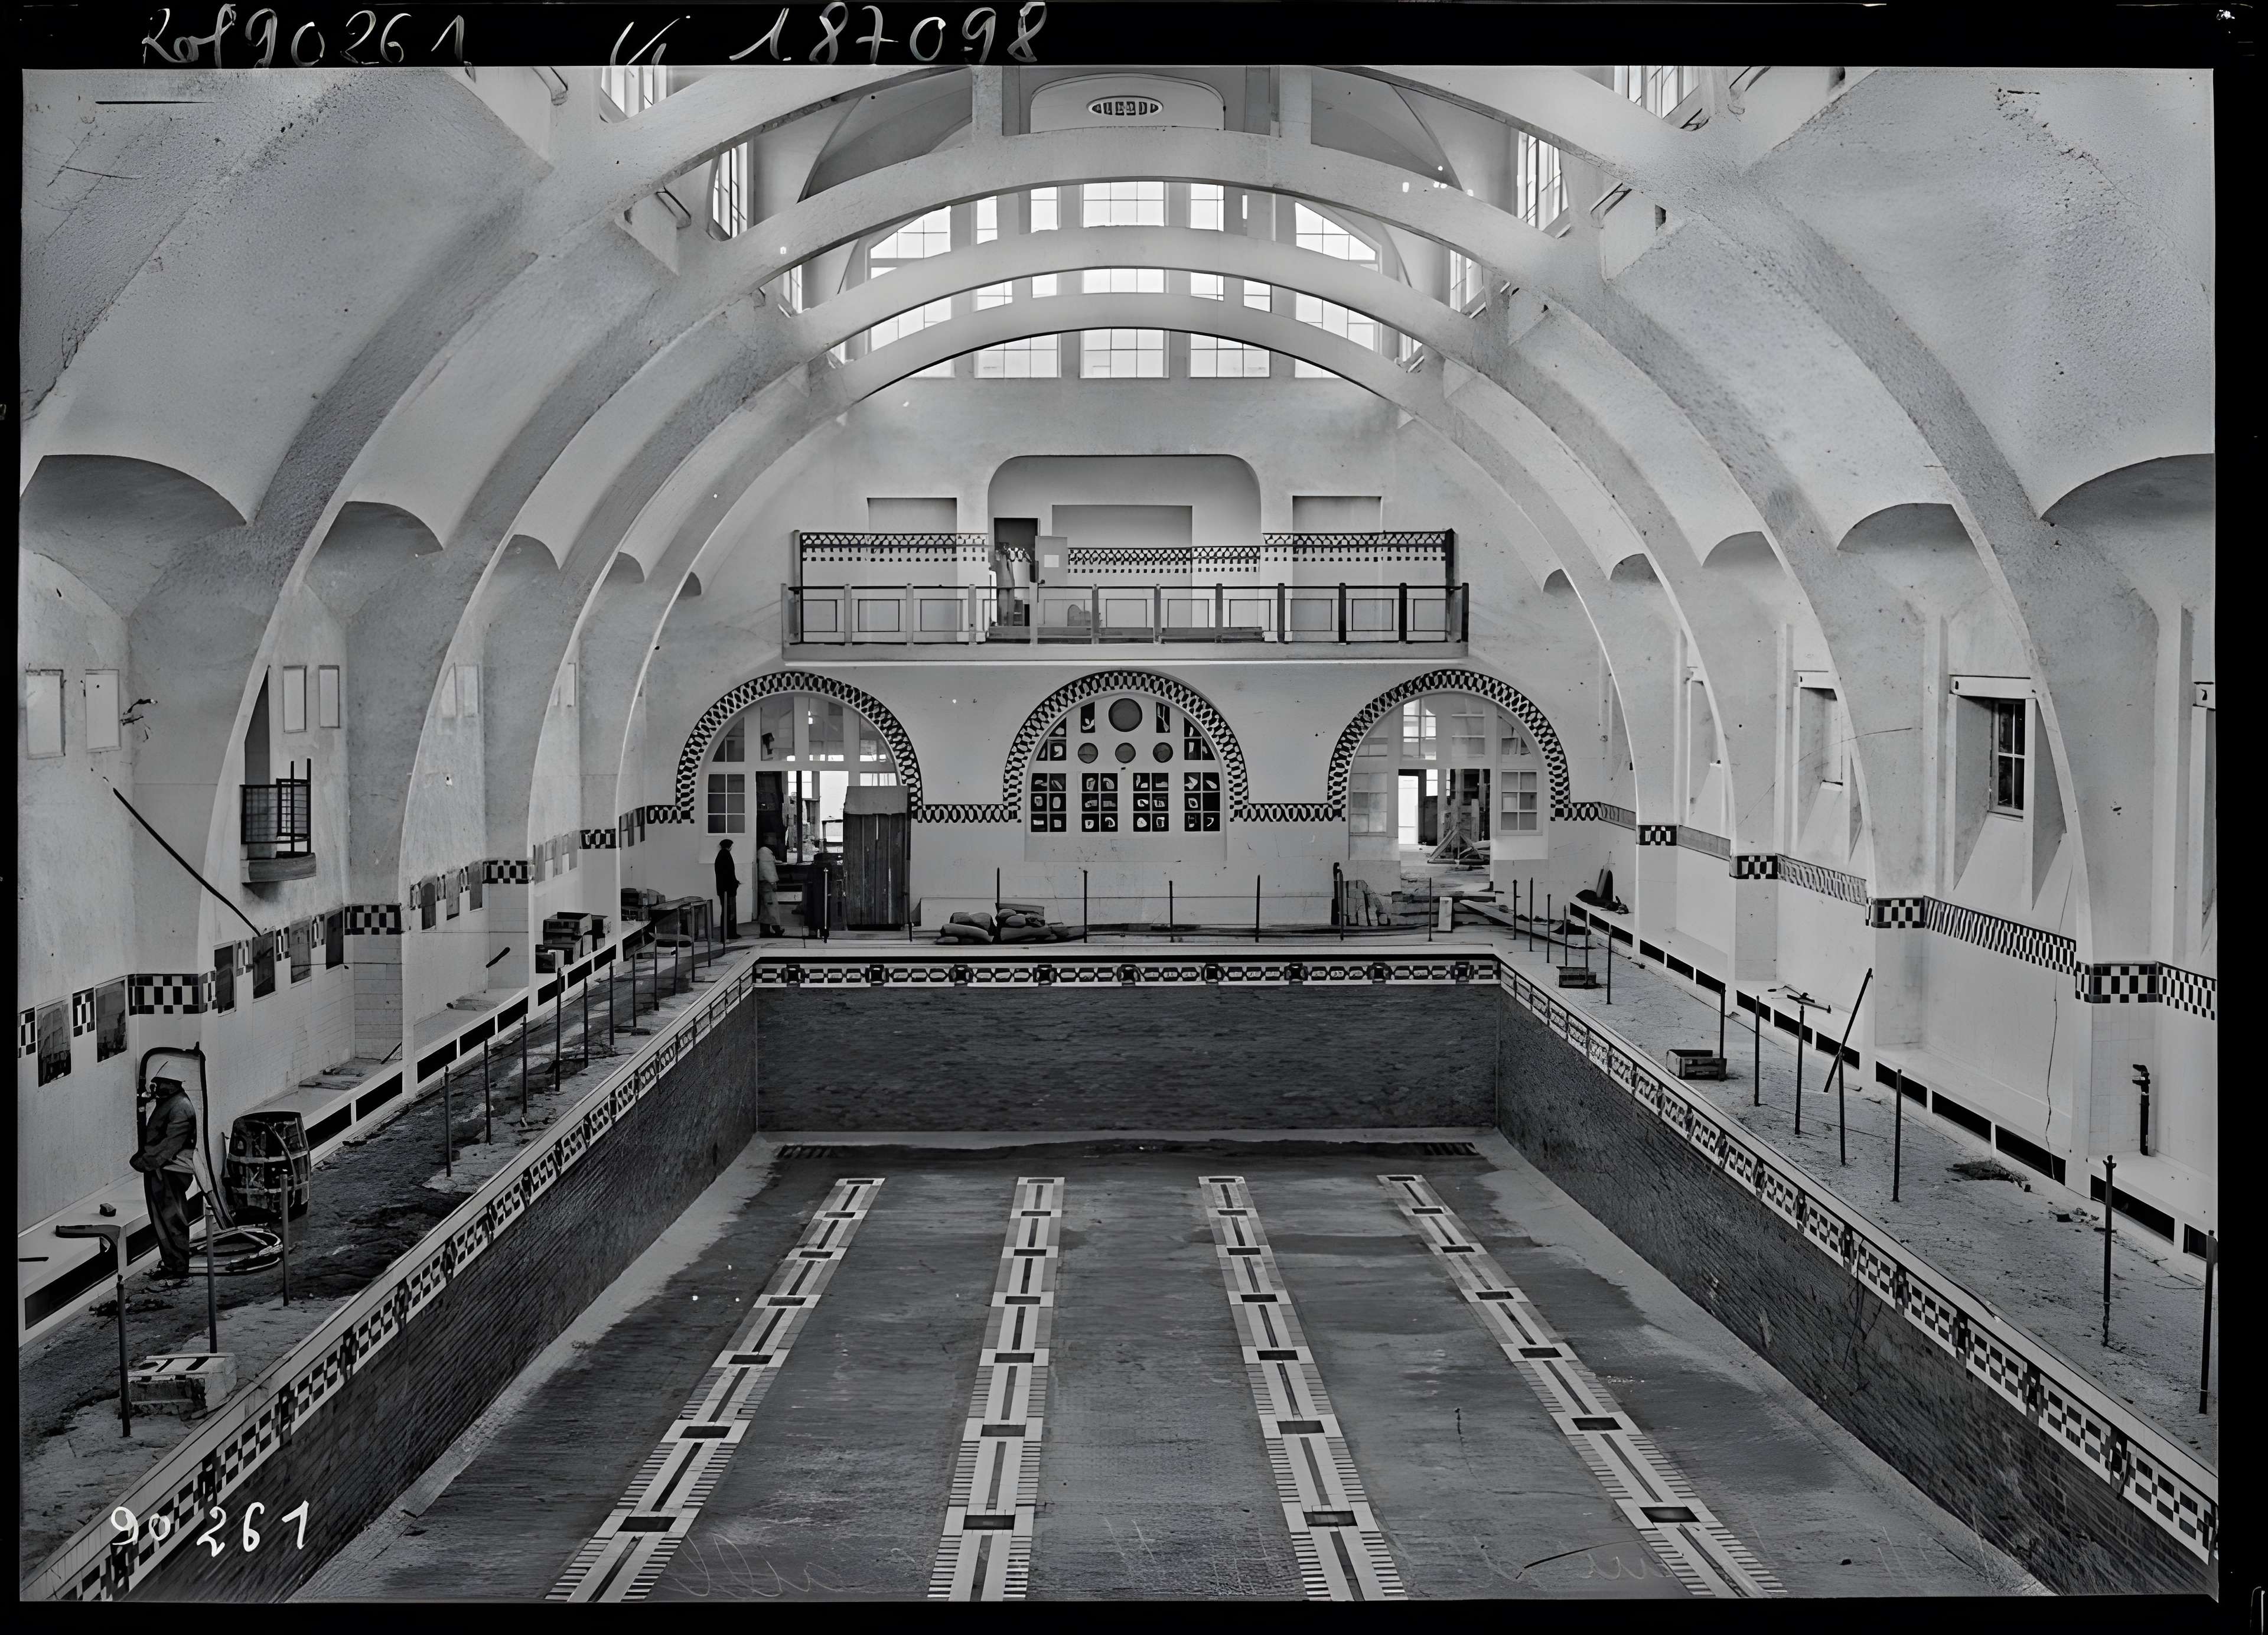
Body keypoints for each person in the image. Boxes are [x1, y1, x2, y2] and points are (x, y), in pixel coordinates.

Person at [129, 1076, 198, 1282]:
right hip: (161, 1169)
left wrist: (145, 1162)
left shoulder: (180, 1106)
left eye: (161, 1083)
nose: (157, 1086)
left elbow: (170, 1145)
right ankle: (172, 1264)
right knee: (163, 1220)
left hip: (169, 1171)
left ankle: (178, 1266)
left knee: (172, 1218)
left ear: (173, 1084)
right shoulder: (171, 1102)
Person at [755, 831, 784, 938]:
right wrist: (773, 882)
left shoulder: (764, 851)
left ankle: (765, 930)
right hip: (767, 883)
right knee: (772, 907)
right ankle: (777, 929)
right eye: (774, 838)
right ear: (768, 839)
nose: (775, 840)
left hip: (765, 883)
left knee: (765, 909)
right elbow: (767, 868)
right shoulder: (765, 851)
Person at [715, 838, 741, 941]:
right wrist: (735, 883)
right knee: (729, 912)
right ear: (729, 846)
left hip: (723, 888)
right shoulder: (726, 855)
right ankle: (729, 934)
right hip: (728, 890)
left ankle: (727, 934)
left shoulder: (720, 855)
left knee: (726, 911)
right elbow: (729, 873)